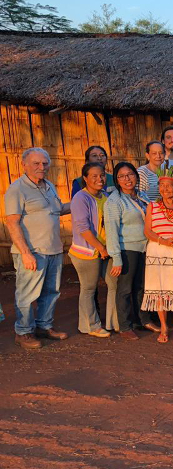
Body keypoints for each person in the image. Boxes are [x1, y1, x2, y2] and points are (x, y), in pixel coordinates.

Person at [5, 147, 70, 349]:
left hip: (53, 249)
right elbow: (12, 222)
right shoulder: (17, 189)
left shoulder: (49, 185)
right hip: (32, 252)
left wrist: (84, 200)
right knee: (27, 294)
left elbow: (59, 210)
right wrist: (25, 253)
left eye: (44, 163)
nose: (41, 167)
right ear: (24, 164)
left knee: (51, 292)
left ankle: (43, 326)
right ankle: (23, 332)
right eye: (36, 163)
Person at [142, 168, 173, 343]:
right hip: (157, 251)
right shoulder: (152, 206)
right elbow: (147, 231)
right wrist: (164, 241)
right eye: (162, 185)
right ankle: (164, 326)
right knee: (159, 291)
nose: (165, 189)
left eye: (169, 186)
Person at [105, 162, 154, 340]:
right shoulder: (114, 201)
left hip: (143, 248)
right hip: (127, 249)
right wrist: (116, 258)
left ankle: (142, 319)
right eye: (122, 176)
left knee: (141, 287)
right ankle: (125, 326)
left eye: (130, 174)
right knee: (125, 289)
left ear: (136, 176)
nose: (127, 179)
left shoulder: (141, 196)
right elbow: (111, 230)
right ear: (117, 180)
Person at [69, 162, 114, 339]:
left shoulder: (105, 196)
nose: (99, 179)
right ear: (85, 179)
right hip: (87, 252)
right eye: (94, 176)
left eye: (102, 175)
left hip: (104, 251)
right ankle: (90, 325)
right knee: (88, 289)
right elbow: (83, 228)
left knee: (113, 284)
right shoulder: (81, 198)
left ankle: (113, 321)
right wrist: (100, 247)